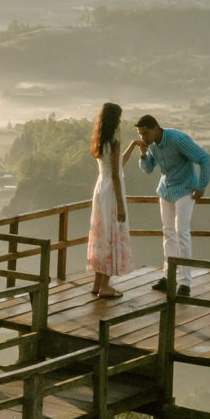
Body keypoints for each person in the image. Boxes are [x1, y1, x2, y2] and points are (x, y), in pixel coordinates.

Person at [131, 114, 210, 295]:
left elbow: (204, 158)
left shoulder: (178, 139)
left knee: (182, 232)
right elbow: (148, 170)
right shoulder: (152, 146)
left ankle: (185, 283)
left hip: (185, 188)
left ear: (155, 129)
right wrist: (143, 155)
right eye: (140, 134)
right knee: (168, 233)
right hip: (166, 190)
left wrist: (202, 186)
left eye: (145, 133)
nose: (142, 137)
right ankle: (169, 277)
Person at [84, 102, 132, 298]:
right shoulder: (114, 141)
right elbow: (116, 175)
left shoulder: (99, 141)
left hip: (100, 189)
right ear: (115, 120)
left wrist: (134, 145)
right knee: (111, 234)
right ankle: (105, 286)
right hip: (111, 191)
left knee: (101, 233)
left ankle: (97, 283)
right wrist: (121, 205)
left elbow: (117, 166)